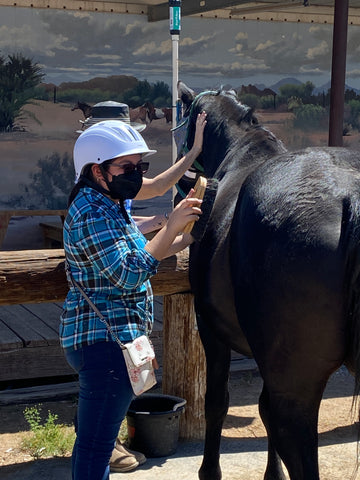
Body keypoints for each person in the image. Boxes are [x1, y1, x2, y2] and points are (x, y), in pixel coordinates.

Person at [60, 112, 207, 480]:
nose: (137, 173)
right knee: (95, 448)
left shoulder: (107, 205)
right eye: (126, 166)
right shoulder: (90, 212)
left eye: (140, 165)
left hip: (114, 341)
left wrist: (188, 234)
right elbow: (128, 273)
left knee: (96, 444)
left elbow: (144, 249)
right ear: (97, 171)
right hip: (103, 344)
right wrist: (171, 223)